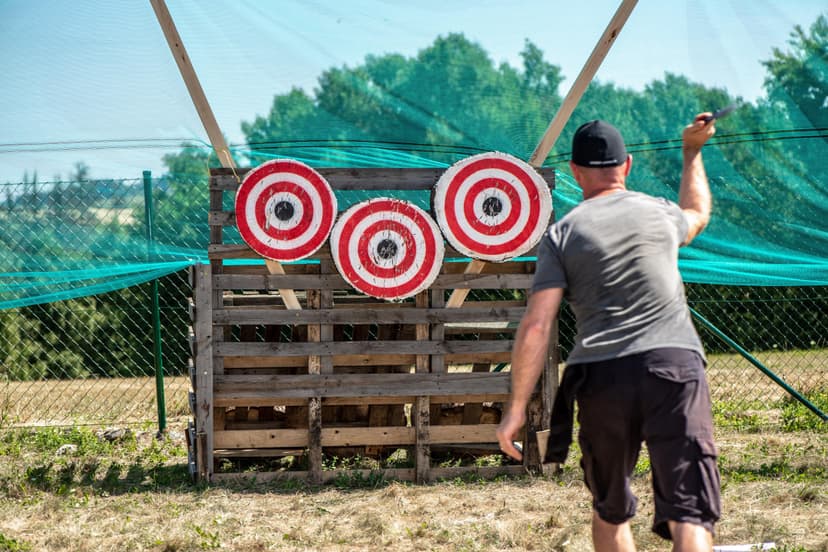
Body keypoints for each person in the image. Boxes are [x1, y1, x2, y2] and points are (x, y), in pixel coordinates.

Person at [496, 113, 721, 552]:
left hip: (601, 379)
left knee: (610, 506)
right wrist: (692, 150)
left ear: (575, 173)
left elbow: (538, 323)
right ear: (628, 166)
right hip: (673, 366)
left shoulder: (562, 234)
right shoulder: (660, 214)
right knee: (688, 511)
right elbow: (698, 212)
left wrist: (516, 408)